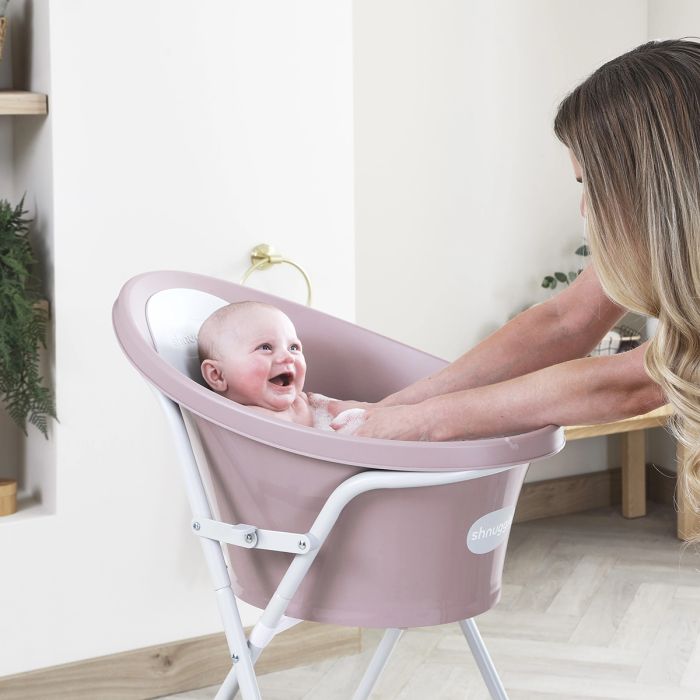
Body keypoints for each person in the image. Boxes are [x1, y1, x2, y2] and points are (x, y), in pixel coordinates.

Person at [329, 39, 700, 512]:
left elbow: (630, 383)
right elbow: (565, 321)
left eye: (593, 183)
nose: (585, 207)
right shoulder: (664, 230)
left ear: (649, 182)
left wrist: (426, 423)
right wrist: (391, 410)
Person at [198, 301, 364, 432]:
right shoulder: (237, 423)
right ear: (217, 375)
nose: (288, 357)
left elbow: (349, 412)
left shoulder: (308, 402)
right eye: (265, 347)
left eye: (293, 347)